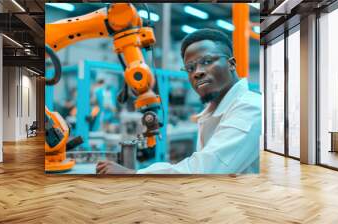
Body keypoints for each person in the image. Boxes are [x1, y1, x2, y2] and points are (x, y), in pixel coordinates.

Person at [96, 28, 262, 174]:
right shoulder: (213, 111)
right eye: (190, 68)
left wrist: (134, 174)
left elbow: (204, 170)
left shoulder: (250, 108)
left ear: (231, 64)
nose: (197, 72)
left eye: (207, 61)